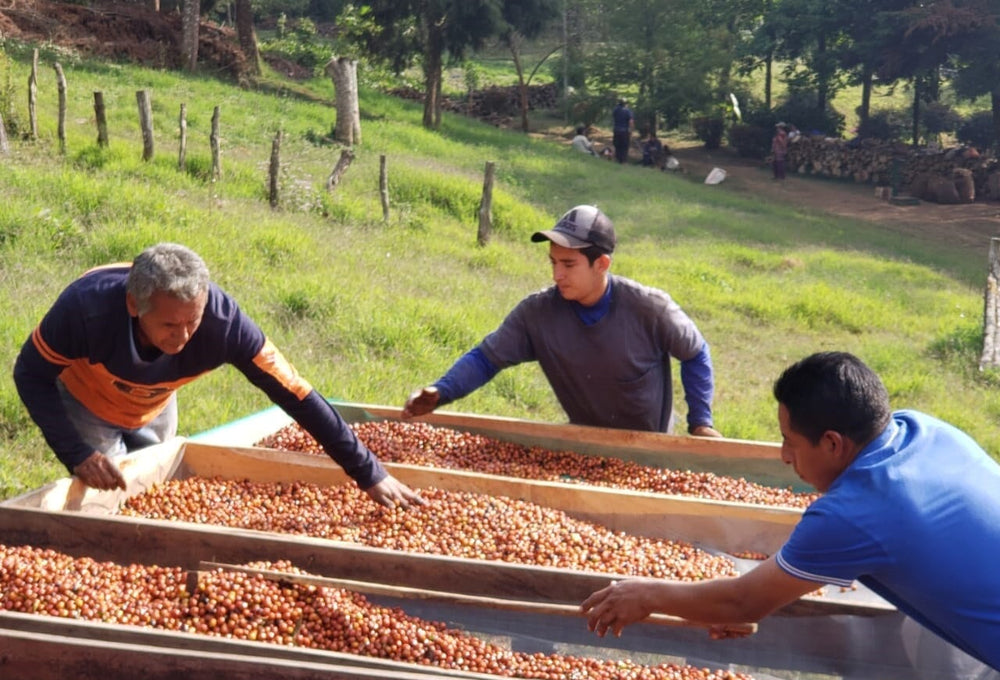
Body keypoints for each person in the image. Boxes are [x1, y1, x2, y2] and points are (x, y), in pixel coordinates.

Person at [581, 351, 1000, 671]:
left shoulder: (853, 512)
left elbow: (743, 602)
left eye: (790, 441)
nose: (783, 455)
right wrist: (722, 603)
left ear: (833, 444)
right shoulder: (923, 429)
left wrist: (647, 594)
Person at [13, 242, 422, 508]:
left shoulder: (223, 323)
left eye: (192, 321)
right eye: (170, 326)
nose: (185, 336)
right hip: (89, 400)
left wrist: (368, 471)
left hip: (156, 400)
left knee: (152, 481)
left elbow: (294, 393)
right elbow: (30, 374)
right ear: (135, 307)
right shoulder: (86, 310)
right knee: (113, 494)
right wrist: (77, 454)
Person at [403, 205, 721, 438]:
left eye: (568, 264)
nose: (557, 275)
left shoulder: (649, 308)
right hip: (581, 444)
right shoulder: (538, 313)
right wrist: (441, 392)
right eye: (553, 262)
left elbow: (695, 352)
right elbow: (486, 359)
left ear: (602, 263)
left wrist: (700, 422)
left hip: (650, 448)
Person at [612, 98, 634, 164]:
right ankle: (623, 161)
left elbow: (614, 117)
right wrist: (631, 130)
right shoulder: (628, 111)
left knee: (617, 145)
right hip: (625, 131)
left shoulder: (615, 110)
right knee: (624, 146)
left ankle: (617, 159)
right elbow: (631, 121)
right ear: (626, 104)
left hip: (616, 130)